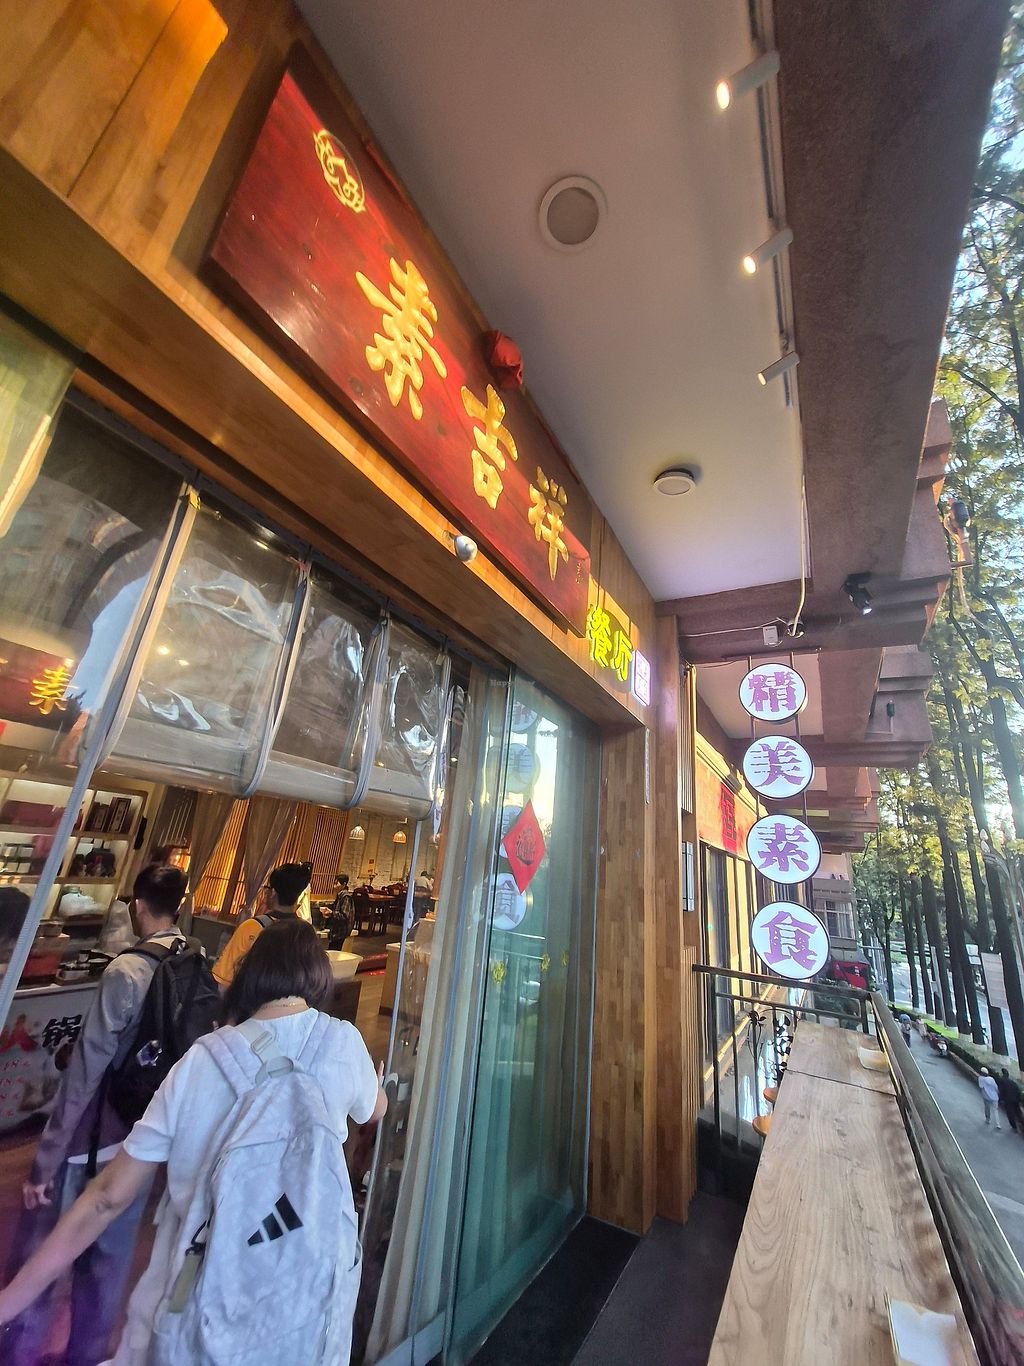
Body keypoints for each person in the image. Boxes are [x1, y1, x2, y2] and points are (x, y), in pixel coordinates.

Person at [0, 920, 387, 1364]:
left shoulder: (200, 1061)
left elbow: (106, 1198)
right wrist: (373, 1083)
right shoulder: (342, 1042)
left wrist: (9, 1300)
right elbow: (374, 1110)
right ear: (317, 977)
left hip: (198, 1314)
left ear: (251, 974)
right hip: (303, 1314)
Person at [5, 865, 188, 1366]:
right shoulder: (191, 959)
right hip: (143, 1141)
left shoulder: (126, 971)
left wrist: (45, 1161)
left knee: (45, 1253)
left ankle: (19, 1352)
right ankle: (85, 1355)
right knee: (110, 1264)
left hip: (90, 1141)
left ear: (138, 906)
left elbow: (84, 1074)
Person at [213, 861, 312, 990]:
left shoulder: (252, 927)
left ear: (273, 893)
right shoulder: (306, 932)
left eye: (267, 888)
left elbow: (224, 981)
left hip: (250, 999)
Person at [329, 874, 354, 950]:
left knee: (334, 951)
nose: (334, 886)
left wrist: (331, 913)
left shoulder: (346, 897)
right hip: (337, 930)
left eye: (336, 883)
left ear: (344, 884)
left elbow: (345, 916)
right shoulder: (340, 895)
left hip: (341, 931)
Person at [997, 1067, 1023, 1133]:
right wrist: (1019, 1100)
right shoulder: (1012, 1082)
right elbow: (1018, 1090)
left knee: (1010, 1114)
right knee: (1018, 1113)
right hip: (1016, 1100)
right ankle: (1022, 1123)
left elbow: (1001, 1091)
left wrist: (1000, 1100)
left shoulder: (1002, 1081)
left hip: (1008, 1100)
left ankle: (1014, 1127)